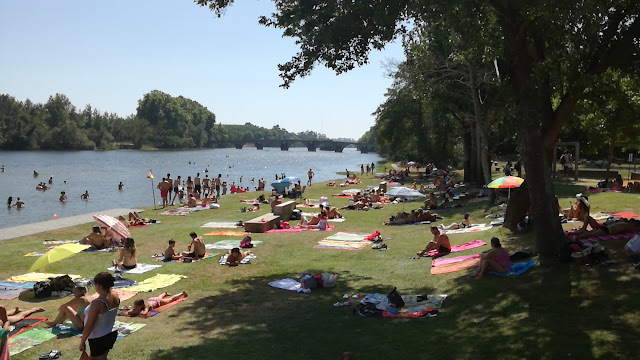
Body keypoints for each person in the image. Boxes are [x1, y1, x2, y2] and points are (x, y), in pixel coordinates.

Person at [80, 272, 120, 360]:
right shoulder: (115, 295)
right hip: (111, 332)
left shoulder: (98, 303)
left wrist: (82, 341)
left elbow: (90, 325)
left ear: (99, 285)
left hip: (99, 338)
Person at [573, 219, 640, 240]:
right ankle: (577, 237)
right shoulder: (628, 226)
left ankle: (572, 233)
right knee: (592, 235)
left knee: (591, 233)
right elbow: (636, 230)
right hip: (607, 230)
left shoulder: (623, 223)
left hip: (606, 228)